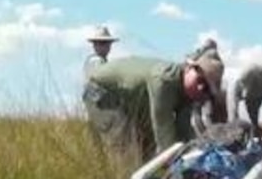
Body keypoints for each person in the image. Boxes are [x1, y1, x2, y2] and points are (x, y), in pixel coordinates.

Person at [83, 54, 225, 161]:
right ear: (189, 68)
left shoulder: (189, 95)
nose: (200, 88)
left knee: (146, 150)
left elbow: (183, 136)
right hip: (103, 93)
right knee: (124, 151)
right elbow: (164, 132)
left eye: (206, 89)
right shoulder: (165, 80)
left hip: (132, 105)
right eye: (200, 80)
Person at [230, 63, 262, 135]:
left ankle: (256, 129)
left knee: (255, 120)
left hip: (258, 93)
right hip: (247, 95)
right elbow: (232, 113)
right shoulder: (236, 86)